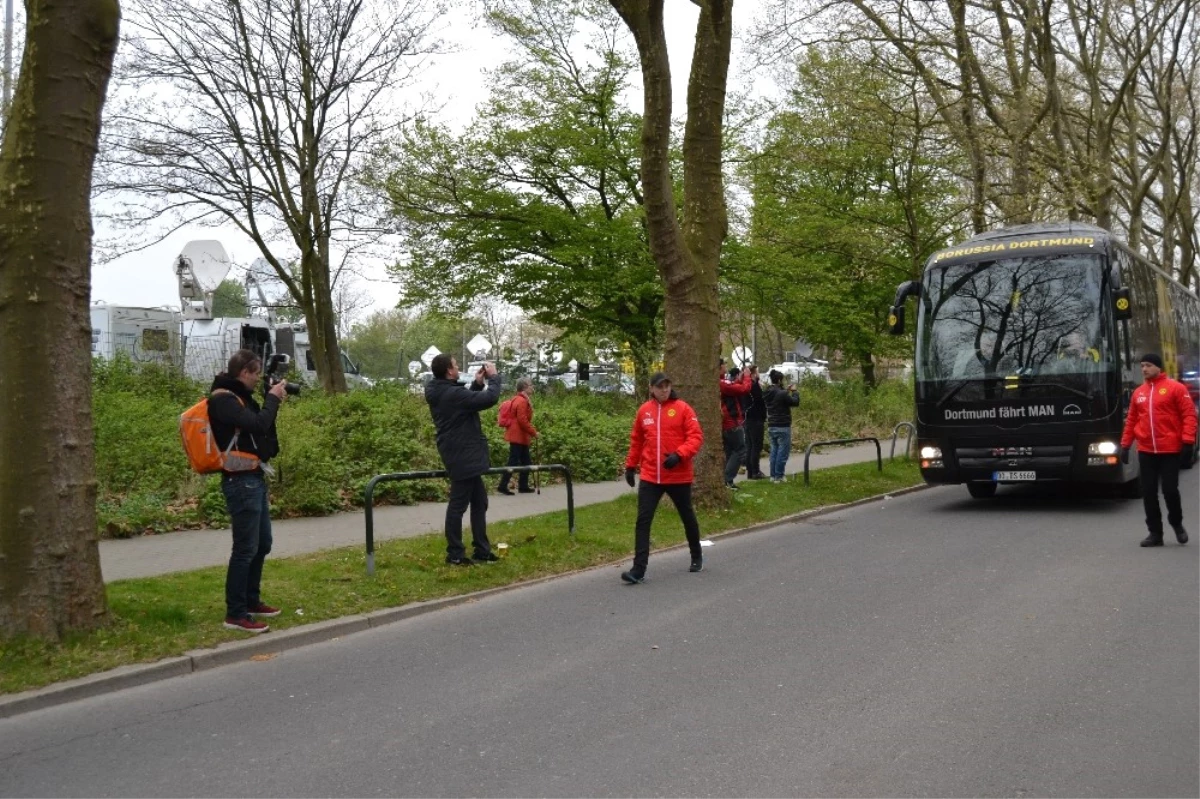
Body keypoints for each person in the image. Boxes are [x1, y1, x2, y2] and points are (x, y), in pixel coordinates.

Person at [208, 349, 288, 633]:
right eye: (255, 374)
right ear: (244, 372)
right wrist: (272, 399)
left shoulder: (240, 398)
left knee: (262, 544)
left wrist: (270, 398)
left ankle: (251, 601)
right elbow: (257, 423)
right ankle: (235, 613)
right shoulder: (223, 400)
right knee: (244, 549)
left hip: (253, 477)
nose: (256, 379)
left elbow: (263, 429)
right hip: (239, 481)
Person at [620, 372, 705, 584]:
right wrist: (630, 466)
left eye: (667, 386)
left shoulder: (683, 409)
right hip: (651, 476)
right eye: (660, 387)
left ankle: (696, 555)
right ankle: (638, 569)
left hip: (678, 475)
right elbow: (637, 441)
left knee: (687, 516)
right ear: (651, 389)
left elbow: (696, 437)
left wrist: (679, 454)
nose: (664, 390)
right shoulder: (644, 411)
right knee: (643, 521)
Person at [426, 354, 502, 565]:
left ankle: (482, 550)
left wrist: (477, 385)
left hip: (461, 452)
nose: (458, 367)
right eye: (456, 364)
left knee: (479, 501)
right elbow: (489, 399)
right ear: (449, 371)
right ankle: (455, 554)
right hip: (462, 454)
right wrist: (494, 378)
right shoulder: (450, 393)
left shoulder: (442, 391)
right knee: (458, 505)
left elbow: (464, 404)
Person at [1120, 353, 1196, 547]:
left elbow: (1188, 415)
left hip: (1169, 450)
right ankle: (1155, 533)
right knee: (1149, 492)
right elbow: (1132, 421)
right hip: (1146, 451)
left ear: (1158, 367)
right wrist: (1125, 445)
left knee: (1170, 490)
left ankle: (1177, 524)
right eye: (1142, 365)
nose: (1144, 369)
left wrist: (1188, 441)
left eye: (1148, 365)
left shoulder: (1175, 389)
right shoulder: (1139, 393)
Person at [498, 377, 538, 495]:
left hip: (520, 436)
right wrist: (534, 432)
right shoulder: (521, 401)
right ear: (525, 387)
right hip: (518, 436)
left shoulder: (520, 399)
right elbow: (522, 420)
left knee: (526, 462)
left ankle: (523, 486)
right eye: (531, 385)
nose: (532, 387)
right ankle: (502, 486)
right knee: (513, 462)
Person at [719, 358, 753, 489]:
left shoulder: (723, 382)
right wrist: (747, 377)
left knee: (729, 451)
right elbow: (744, 389)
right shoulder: (722, 383)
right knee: (740, 450)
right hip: (732, 422)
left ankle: (726, 480)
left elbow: (733, 388)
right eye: (724, 364)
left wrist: (739, 380)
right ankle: (728, 479)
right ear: (719, 367)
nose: (726, 366)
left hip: (728, 423)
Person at [763, 369, 800, 482]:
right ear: (779, 380)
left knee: (774, 451)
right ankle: (779, 475)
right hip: (783, 425)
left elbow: (778, 396)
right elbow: (795, 402)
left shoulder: (767, 392)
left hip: (772, 424)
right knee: (782, 452)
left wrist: (785, 391)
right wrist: (794, 392)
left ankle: (773, 475)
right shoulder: (782, 393)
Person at [743, 364, 767, 479]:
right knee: (756, 446)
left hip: (748, 419)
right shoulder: (754, 387)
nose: (759, 374)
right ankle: (755, 471)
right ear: (753, 374)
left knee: (750, 446)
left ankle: (750, 471)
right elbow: (760, 399)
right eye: (757, 372)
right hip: (756, 418)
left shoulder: (747, 386)